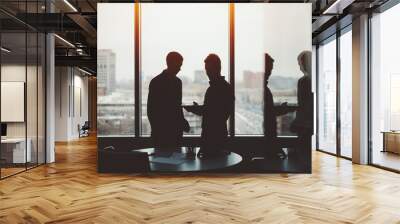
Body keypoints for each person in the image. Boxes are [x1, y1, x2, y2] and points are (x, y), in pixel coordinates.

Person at [185, 54, 234, 158]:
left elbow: (212, 113)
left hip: (212, 137)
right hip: (219, 135)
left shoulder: (214, 89)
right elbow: (217, 112)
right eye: (206, 69)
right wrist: (199, 109)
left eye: (209, 69)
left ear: (217, 68)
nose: (207, 72)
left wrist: (196, 109)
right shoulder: (226, 88)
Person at [147, 51, 190, 150]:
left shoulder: (156, 82)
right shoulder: (177, 83)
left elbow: (151, 110)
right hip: (173, 133)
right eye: (179, 65)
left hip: (161, 133)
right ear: (171, 64)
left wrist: (156, 130)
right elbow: (176, 107)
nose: (180, 68)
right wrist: (182, 122)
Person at [263, 53, 294, 159]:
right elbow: (269, 112)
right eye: (269, 69)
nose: (270, 73)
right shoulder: (263, 89)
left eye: (271, 70)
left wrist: (281, 109)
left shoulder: (263, 88)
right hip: (268, 135)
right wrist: (283, 109)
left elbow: (268, 111)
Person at [291, 51, 313, 172]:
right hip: (310, 124)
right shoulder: (316, 79)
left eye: (300, 63)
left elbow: (302, 104)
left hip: (304, 124)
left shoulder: (303, 81)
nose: (299, 67)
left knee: (303, 154)